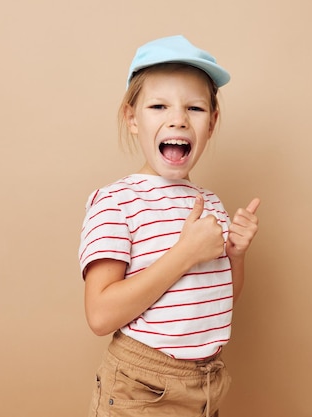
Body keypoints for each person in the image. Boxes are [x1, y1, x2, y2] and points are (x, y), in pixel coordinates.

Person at [78, 35, 260, 417]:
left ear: (211, 124)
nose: (177, 118)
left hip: (205, 384)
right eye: (159, 106)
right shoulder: (116, 202)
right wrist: (184, 254)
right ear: (132, 118)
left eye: (194, 108)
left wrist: (236, 257)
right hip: (142, 388)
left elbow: (219, 301)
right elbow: (99, 315)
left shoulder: (209, 204)